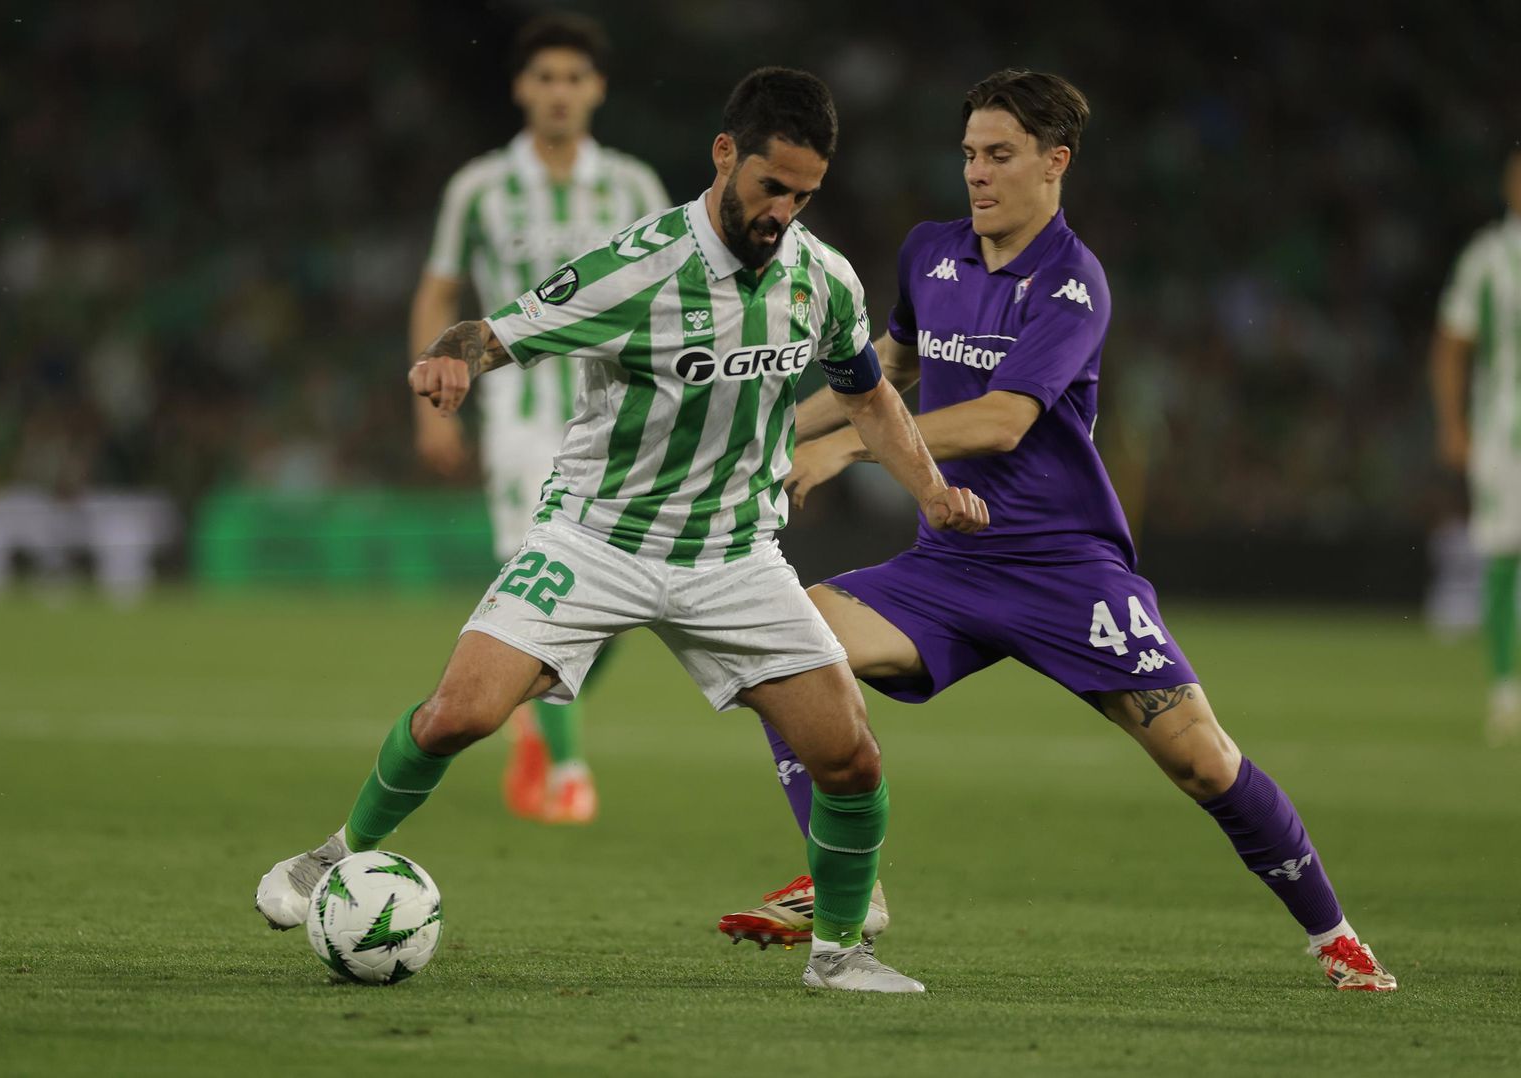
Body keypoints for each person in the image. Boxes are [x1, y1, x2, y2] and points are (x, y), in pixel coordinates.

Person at [257, 67, 989, 993]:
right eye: (771, 188)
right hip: (596, 538)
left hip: (732, 554)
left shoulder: (821, 278)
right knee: (459, 715)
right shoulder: (637, 267)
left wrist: (928, 491)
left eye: (805, 195)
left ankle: (840, 953)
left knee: (847, 754)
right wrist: (450, 360)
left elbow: (868, 394)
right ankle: (331, 856)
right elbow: (500, 328)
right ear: (725, 155)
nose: (783, 213)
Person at [716, 69, 1398, 993]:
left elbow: (1002, 421)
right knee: (785, 650)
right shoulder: (930, 253)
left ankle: (1336, 937)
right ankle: (852, 885)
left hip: (1066, 569)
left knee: (1202, 762)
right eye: (968, 155)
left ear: (1055, 163)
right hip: (951, 562)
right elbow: (882, 369)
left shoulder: (1074, 283)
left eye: (999, 156)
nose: (977, 174)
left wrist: (850, 454)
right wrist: (769, 430)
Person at [409, 13, 671, 824]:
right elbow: (439, 290)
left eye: (574, 78)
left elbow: (675, 289)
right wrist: (430, 406)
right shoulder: (480, 186)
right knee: (541, 578)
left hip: (622, 411)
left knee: (623, 594)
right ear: (523, 88)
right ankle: (565, 769)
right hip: (521, 416)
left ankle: (534, 704)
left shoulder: (632, 186)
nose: (559, 92)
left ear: (596, 89)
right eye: (545, 78)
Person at [1431, 146, 1521, 747]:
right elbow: (1452, 343)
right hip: (1506, 432)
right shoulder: (1490, 257)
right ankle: (1507, 693)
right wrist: (1454, 424)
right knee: (1504, 553)